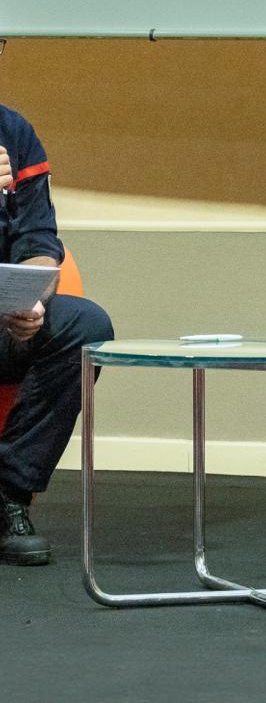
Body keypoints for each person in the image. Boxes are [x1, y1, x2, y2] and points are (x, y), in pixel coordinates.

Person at [0, 104, 114, 566]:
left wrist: (29, 300)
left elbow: (40, 243)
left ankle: (8, 493)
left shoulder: (12, 132)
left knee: (86, 327)